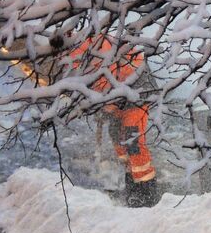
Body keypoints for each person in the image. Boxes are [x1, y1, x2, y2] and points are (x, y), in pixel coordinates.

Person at [66, 36, 161, 207]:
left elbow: (102, 82)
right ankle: (133, 187)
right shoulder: (79, 53)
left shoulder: (85, 51)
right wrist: (104, 109)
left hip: (139, 90)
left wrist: (101, 106)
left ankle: (148, 193)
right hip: (119, 95)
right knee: (117, 136)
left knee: (133, 140)